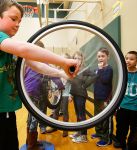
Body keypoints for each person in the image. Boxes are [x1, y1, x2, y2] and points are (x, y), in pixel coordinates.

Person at [0, 0, 78, 150]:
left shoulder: (10, 48)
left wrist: (61, 72)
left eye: (20, 21)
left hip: (7, 111)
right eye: (13, 19)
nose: (17, 24)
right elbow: (24, 49)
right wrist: (63, 61)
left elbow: (37, 65)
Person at [113, 51, 137, 150]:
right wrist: (114, 105)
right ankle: (121, 142)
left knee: (135, 130)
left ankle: (132, 145)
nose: (128, 60)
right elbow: (117, 89)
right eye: (126, 58)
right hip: (122, 106)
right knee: (121, 128)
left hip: (136, 107)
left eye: (131, 59)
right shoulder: (121, 73)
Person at [69, 51, 95, 143]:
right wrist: (71, 94)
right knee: (78, 114)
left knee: (82, 115)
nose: (77, 60)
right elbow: (72, 83)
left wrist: (85, 85)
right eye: (75, 58)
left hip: (81, 95)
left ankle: (84, 136)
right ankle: (79, 132)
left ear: (82, 60)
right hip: (75, 94)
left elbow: (95, 76)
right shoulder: (73, 69)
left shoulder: (85, 69)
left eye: (79, 58)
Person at [91, 47, 113, 146]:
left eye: (103, 56)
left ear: (108, 57)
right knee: (97, 116)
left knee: (105, 118)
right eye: (99, 56)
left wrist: (100, 70)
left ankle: (106, 138)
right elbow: (95, 81)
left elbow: (105, 80)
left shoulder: (109, 69)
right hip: (97, 97)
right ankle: (99, 133)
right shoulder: (96, 69)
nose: (100, 58)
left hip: (105, 98)